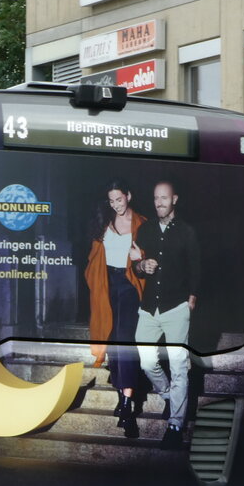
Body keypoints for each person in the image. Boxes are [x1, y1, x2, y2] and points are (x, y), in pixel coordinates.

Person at [134, 181, 201, 449]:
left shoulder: (187, 231)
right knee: (147, 362)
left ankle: (175, 424)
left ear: (174, 199)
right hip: (149, 307)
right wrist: (142, 265)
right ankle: (169, 395)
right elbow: (135, 264)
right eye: (155, 198)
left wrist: (192, 299)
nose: (159, 202)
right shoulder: (145, 229)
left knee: (179, 367)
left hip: (176, 307)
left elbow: (196, 267)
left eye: (164, 198)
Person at [84, 180, 146, 438]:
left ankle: (127, 404)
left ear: (128, 196)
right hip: (105, 284)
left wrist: (139, 258)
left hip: (128, 285)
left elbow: (151, 259)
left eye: (119, 199)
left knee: (124, 340)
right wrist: (96, 282)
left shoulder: (142, 223)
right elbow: (93, 258)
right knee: (110, 340)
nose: (116, 205)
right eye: (111, 201)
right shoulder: (103, 222)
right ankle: (123, 396)